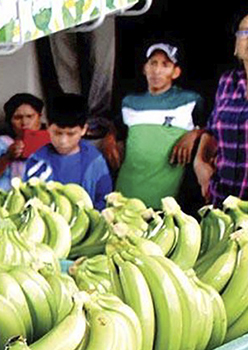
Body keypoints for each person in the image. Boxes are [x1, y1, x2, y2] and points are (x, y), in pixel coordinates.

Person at [102, 43, 207, 209]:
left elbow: (213, 127)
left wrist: (194, 134)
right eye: (153, 63)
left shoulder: (190, 100)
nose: (157, 71)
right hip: (124, 193)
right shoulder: (129, 102)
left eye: (165, 65)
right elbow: (116, 128)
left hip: (163, 202)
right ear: (145, 68)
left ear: (176, 72)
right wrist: (109, 137)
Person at [24, 94, 113, 209]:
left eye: (71, 134)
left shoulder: (95, 162)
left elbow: (104, 200)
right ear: (48, 127)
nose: (63, 141)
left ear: (84, 130)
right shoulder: (36, 160)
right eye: (57, 133)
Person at [197, 14, 248, 203]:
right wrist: (199, 162)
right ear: (236, 44)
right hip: (222, 204)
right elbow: (211, 131)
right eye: (244, 32)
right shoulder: (228, 81)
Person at [0, 93, 45, 190]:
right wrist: (7, 157)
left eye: (30, 116)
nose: (24, 123)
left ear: (39, 117)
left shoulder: (53, 142)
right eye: (18, 118)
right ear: (10, 121)